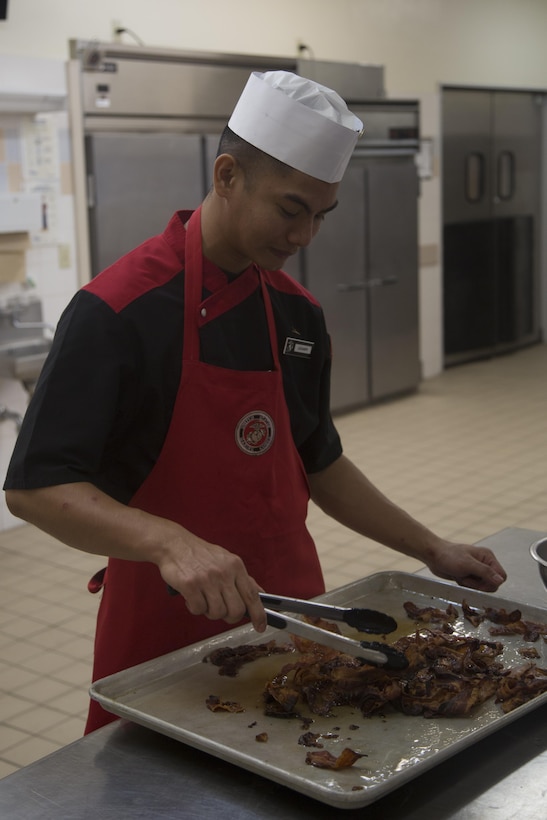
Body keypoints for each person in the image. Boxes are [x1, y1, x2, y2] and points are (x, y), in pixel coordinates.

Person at [3, 70, 506, 733]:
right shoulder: (119, 310)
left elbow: (318, 459)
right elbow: (36, 487)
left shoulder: (296, 314)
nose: (303, 237)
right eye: (290, 208)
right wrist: (167, 541)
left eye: (321, 216)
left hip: (295, 616)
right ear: (227, 175)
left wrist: (429, 546)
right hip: (163, 623)